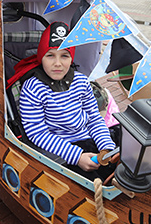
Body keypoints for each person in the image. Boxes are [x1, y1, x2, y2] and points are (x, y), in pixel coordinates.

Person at [13, 22, 117, 181]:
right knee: (94, 183)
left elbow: (94, 118)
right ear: (41, 58)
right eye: (50, 55)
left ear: (71, 58)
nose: (57, 63)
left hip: (89, 139)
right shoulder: (32, 89)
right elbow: (37, 133)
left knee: (119, 167)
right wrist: (77, 157)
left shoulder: (81, 82)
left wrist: (105, 146)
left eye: (64, 55)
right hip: (59, 150)